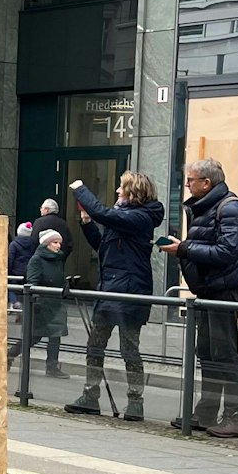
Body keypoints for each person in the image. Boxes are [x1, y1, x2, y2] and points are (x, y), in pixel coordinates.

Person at [162, 157, 238, 438]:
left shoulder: (230, 208)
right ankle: (207, 411)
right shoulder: (205, 207)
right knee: (208, 352)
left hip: (224, 290)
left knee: (225, 353)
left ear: (206, 183)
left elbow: (228, 251)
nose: (187, 185)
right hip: (208, 288)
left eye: (190, 180)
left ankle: (236, 417)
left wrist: (185, 250)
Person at [64, 172, 164, 422]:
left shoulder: (140, 218)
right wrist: (87, 223)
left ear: (134, 193)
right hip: (110, 289)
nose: (117, 191)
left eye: (121, 188)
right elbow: (104, 247)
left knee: (129, 348)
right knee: (95, 345)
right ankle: (90, 396)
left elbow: (103, 214)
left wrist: (80, 189)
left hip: (130, 292)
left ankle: (135, 401)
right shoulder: (125, 218)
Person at [13, 228, 68, 376]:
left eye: (59, 243)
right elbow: (32, 281)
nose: (58, 246)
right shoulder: (36, 260)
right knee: (33, 337)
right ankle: (10, 355)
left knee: (55, 336)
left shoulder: (57, 259)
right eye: (55, 242)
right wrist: (37, 300)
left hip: (56, 304)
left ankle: (52, 367)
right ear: (46, 244)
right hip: (42, 304)